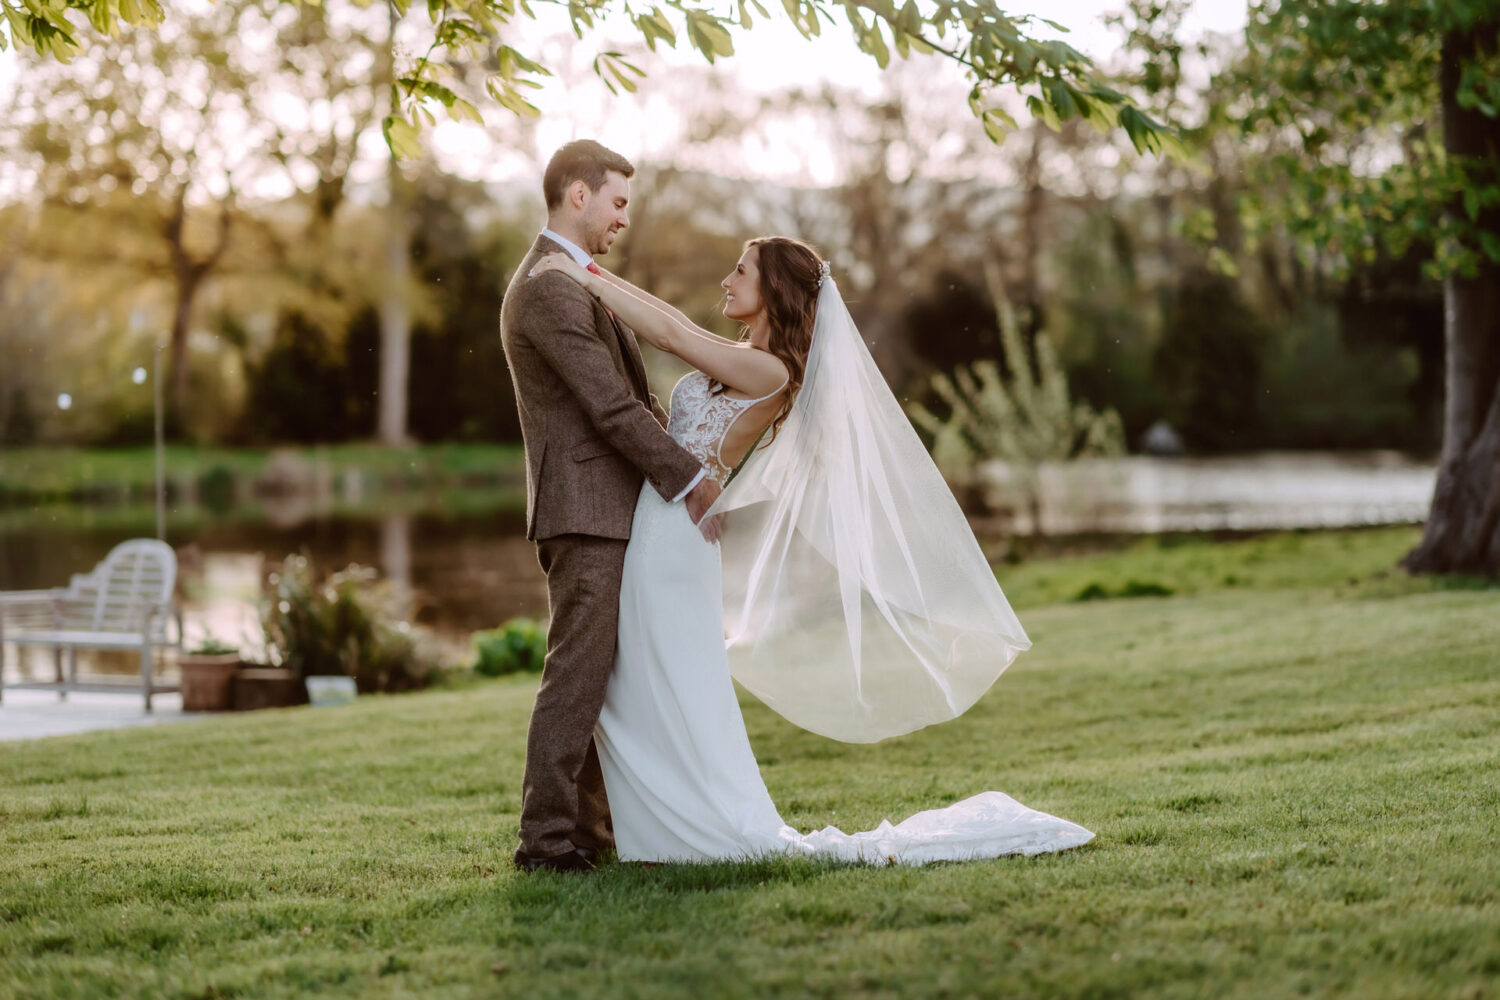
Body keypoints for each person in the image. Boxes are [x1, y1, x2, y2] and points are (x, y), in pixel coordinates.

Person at [528, 235, 1095, 864]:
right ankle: (645, 824)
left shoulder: (772, 372)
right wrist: (586, 268)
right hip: (663, 524)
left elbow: (674, 337)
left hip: (673, 539)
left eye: (739, 272)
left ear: (773, 291)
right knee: (645, 678)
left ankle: (688, 824)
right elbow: (681, 325)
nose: (727, 280)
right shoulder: (744, 356)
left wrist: (585, 280)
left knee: (664, 678)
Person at [500, 140, 724, 874]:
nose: (624, 217)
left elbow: (632, 400)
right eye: (619, 201)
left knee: (601, 675)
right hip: (584, 509)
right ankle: (546, 841)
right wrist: (691, 479)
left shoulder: (577, 280)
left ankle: (593, 834)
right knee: (577, 674)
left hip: (606, 507)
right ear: (578, 195)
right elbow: (609, 407)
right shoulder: (549, 288)